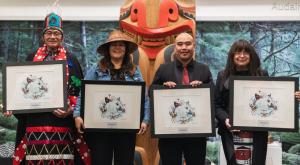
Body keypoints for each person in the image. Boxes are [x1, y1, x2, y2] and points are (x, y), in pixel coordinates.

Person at [3, 13, 89, 165]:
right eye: (49, 33)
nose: (52, 37)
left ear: (62, 37)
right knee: (35, 158)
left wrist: (71, 110)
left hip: (62, 121)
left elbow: (78, 89)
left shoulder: (71, 59)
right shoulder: (31, 57)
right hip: (35, 119)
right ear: (43, 37)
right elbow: (21, 87)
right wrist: (13, 104)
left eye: (56, 33)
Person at [73, 29, 150, 165]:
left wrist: (145, 119)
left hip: (126, 128)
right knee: (100, 161)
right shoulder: (97, 69)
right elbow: (83, 92)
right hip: (100, 128)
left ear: (126, 49)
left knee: (125, 161)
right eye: (114, 44)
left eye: (121, 45)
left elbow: (144, 97)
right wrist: (77, 115)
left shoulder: (134, 70)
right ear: (108, 48)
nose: (117, 48)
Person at [151, 32, 213, 165]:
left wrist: (202, 88)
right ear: (175, 48)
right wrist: (162, 87)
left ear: (194, 46)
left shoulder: (204, 70)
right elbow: (151, 94)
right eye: (180, 44)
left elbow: (213, 97)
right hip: (169, 134)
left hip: (197, 134)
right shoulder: (163, 69)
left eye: (188, 44)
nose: (184, 47)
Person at [215, 39, 269, 165]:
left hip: (257, 131)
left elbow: (271, 98)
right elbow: (216, 104)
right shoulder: (222, 76)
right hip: (230, 130)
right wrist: (225, 119)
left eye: (246, 52)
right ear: (232, 56)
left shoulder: (262, 74)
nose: (242, 56)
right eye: (238, 52)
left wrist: (292, 95)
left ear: (251, 56)